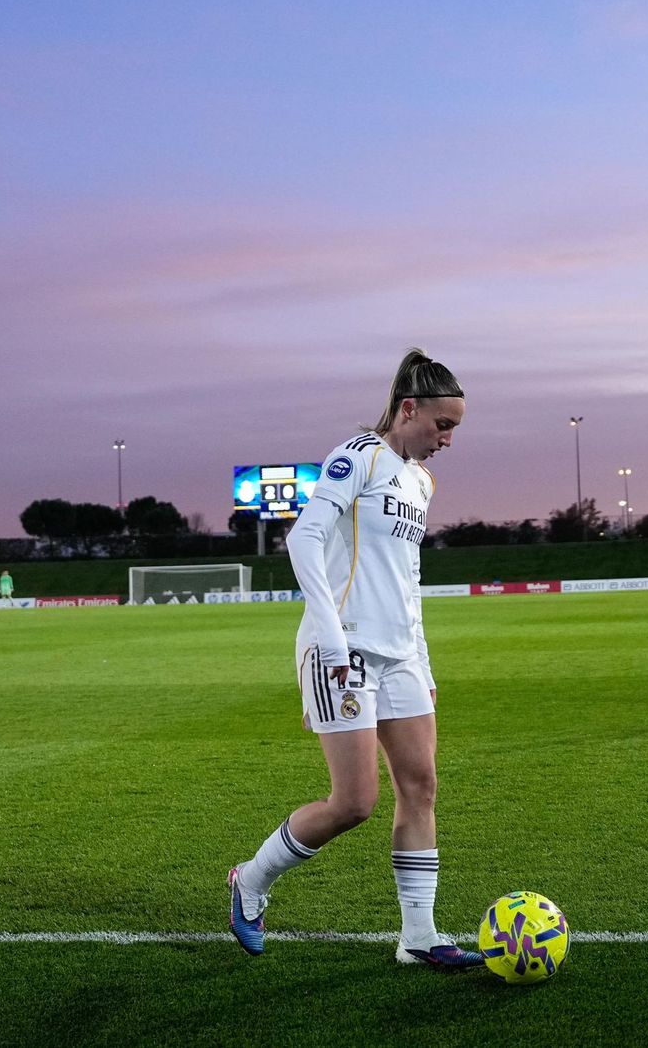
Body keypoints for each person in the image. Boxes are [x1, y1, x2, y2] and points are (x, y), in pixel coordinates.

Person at [228, 349, 478, 968]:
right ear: (408, 408)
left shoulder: (421, 481)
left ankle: (418, 937)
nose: (447, 438)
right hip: (341, 650)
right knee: (354, 804)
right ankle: (251, 880)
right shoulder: (359, 455)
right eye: (442, 424)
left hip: (401, 658)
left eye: (455, 428)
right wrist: (332, 637)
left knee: (421, 787)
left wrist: (423, 661)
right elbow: (305, 537)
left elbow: (405, 576)